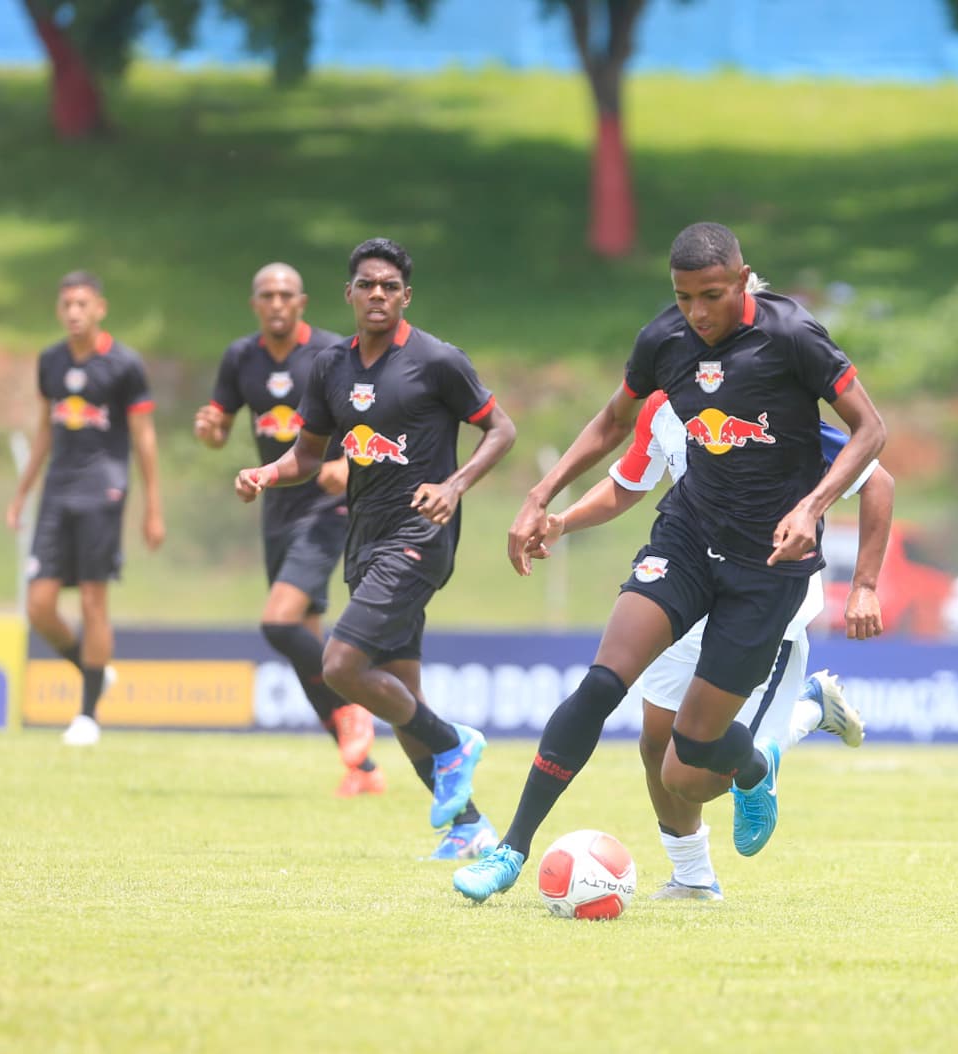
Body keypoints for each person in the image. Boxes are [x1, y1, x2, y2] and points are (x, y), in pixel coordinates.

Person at [455, 221, 886, 902]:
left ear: (743, 280)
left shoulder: (793, 337)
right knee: (602, 684)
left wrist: (812, 510)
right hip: (685, 540)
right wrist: (542, 497)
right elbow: (609, 423)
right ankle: (509, 851)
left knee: (692, 762)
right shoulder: (665, 341)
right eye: (684, 297)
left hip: (766, 571)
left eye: (711, 295)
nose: (698, 313)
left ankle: (750, 768)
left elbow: (872, 431)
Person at [533, 381, 895, 900]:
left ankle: (795, 724)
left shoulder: (768, 402)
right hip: (688, 584)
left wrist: (863, 586)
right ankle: (693, 878)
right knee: (656, 741)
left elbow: (877, 480)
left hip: (765, 599)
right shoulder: (662, 401)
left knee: (691, 773)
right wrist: (562, 522)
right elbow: (631, 482)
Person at [233, 238, 517, 859]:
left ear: (406, 296)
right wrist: (266, 475)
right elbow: (309, 454)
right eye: (368, 285)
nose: (379, 295)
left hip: (421, 537)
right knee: (398, 687)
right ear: (350, 294)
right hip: (363, 541)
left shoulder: (437, 360)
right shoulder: (331, 367)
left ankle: (452, 744)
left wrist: (455, 483)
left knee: (341, 665)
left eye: (390, 286)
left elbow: (501, 428)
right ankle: (469, 826)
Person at [194, 262, 386, 797]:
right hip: (274, 512)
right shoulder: (240, 358)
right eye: (266, 295)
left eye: (285, 294)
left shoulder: (330, 355)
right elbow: (219, 427)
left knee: (278, 624)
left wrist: (347, 466)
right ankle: (363, 770)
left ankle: (355, 708)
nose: (276, 303)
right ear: (255, 303)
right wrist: (210, 431)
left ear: (302, 301)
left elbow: (367, 424)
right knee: (303, 645)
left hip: (327, 511)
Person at [6, 271, 164, 746]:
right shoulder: (50, 362)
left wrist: (153, 505)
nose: (74, 312)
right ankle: (92, 669)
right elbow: (45, 431)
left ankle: (88, 716)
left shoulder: (124, 365)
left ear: (100, 308)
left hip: (104, 491)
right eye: (67, 304)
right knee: (39, 606)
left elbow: (144, 437)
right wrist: (21, 492)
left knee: (94, 601)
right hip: (57, 492)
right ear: (60, 310)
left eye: (83, 303)